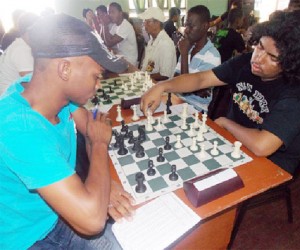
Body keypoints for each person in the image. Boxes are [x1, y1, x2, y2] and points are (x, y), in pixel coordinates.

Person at [0, 14, 132, 249]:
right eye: (97, 76)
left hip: (57, 218)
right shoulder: (18, 128)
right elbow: (91, 221)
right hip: (28, 240)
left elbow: (91, 128)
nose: (99, 85)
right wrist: (101, 145)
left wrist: (107, 184)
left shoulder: (48, 90)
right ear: (65, 69)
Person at [141, 9, 300, 175]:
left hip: (272, 163)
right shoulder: (246, 62)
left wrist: (227, 124)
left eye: (272, 57)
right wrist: (162, 86)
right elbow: (201, 79)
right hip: (232, 141)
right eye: (259, 45)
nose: (258, 58)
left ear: (292, 62)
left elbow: (262, 146)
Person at [175, 5, 221, 112]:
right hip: (178, 102)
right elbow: (175, 78)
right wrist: (194, 88)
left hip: (196, 111)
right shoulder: (188, 47)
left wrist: (184, 54)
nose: (186, 30)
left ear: (205, 26)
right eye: (186, 25)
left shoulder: (213, 56)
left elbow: (183, 87)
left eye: (191, 26)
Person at [0, 12, 39, 95]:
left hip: (9, 96)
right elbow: (32, 84)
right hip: (11, 100)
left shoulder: (20, 44)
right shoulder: (22, 50)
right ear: (29, 31)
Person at [139, 7, 177, 81]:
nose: (144, 25)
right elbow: (149, 65)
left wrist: (143, 77)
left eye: (147, 21)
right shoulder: (152, 40)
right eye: (144, 21)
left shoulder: (165, 44)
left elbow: (165, 74)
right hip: (149, 81)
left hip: (161, 87)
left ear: (157, 23)